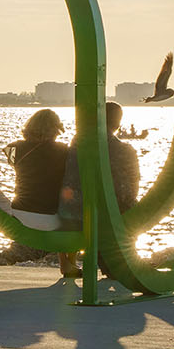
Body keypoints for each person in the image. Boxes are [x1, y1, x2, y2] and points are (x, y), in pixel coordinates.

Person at [55, 101, 141, 277]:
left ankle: (103, 261)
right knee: (130, 209)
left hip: (69, 211)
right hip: (100, 216)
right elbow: (128, 192)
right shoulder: (124, 150)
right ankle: (117, 261)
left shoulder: (77, 141)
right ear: (117, 123)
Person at [3, 108, 68, 231]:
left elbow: (12, 163)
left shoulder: (13, 147)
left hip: (19, 214)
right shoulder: (63, 151)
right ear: (56, 129)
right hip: (49, 218)